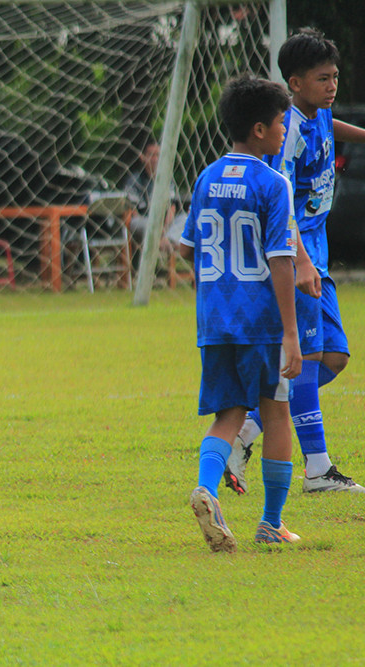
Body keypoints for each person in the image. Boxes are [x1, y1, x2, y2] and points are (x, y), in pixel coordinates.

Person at [225, 28, 365, 495]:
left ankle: (247, 428)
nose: (332, 86)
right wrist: (302, 262)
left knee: (335, 356)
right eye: (323, 79)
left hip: (317, 248)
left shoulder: (318, 111)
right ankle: (319, 469)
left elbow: (331, 126)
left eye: (335, 77)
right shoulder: (286, 133)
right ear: (295, 83)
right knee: (306, 357)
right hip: (297, 250)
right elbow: (282, 204)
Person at [180, 76, 303, 552]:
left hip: (215, 319)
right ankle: (271, 523)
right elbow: (280, 259)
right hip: (261, 321)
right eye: (280, 122)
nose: (284, 129)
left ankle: (206, 489)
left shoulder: (206, 177)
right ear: (259, 129)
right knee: (276, 413)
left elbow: (188, 248)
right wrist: (290, 332)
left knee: (229, 412)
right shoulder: (273, 183)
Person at [123, 138, 184, 252]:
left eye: (157, 155)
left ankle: (165, 242)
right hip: (142, 221)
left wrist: (164, 228)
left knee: (185, 219)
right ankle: (166, 243)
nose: (155, 159)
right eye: (151, 155)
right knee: (145, 223)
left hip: (164, 224)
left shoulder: (167, 179)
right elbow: (131, 210)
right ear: (143, 157)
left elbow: (172, 208)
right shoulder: (134, 180)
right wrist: (156, 225)